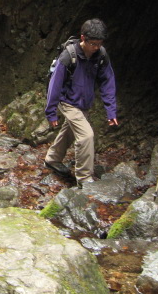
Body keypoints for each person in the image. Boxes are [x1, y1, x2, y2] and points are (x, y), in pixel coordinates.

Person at [44, 19, 118, 186]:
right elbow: (54, 85)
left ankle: (53, 158)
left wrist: (111, 110)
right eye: (93, 43)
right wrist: (51, 111)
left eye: (99, 44)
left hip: (84, 102)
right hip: (67, 101)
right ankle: (84, 178)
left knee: (70, 130)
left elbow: (108, 82)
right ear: (83, 37)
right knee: (86, 136)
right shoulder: (68, 55)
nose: (96, 47)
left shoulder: (101, 55)